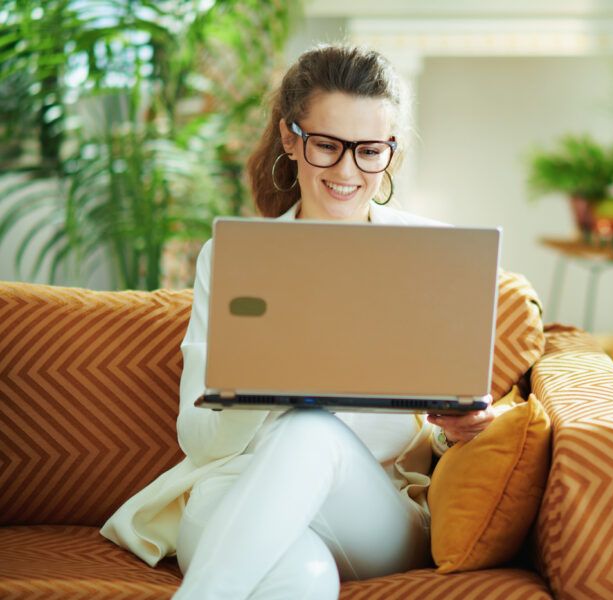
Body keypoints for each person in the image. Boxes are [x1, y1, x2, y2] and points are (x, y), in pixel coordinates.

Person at [99, 44, 499, 599]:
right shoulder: (235, 259)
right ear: (291, 139)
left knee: (309, 429)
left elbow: (434, 429)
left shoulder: (431, 255)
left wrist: (463, 429)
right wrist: (259, 383)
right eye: (328, 146)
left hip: (371, 512)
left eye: (369, 152)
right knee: (300, 579)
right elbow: (198, 438)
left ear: (392, 152)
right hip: (234, 492)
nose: (346, 171)